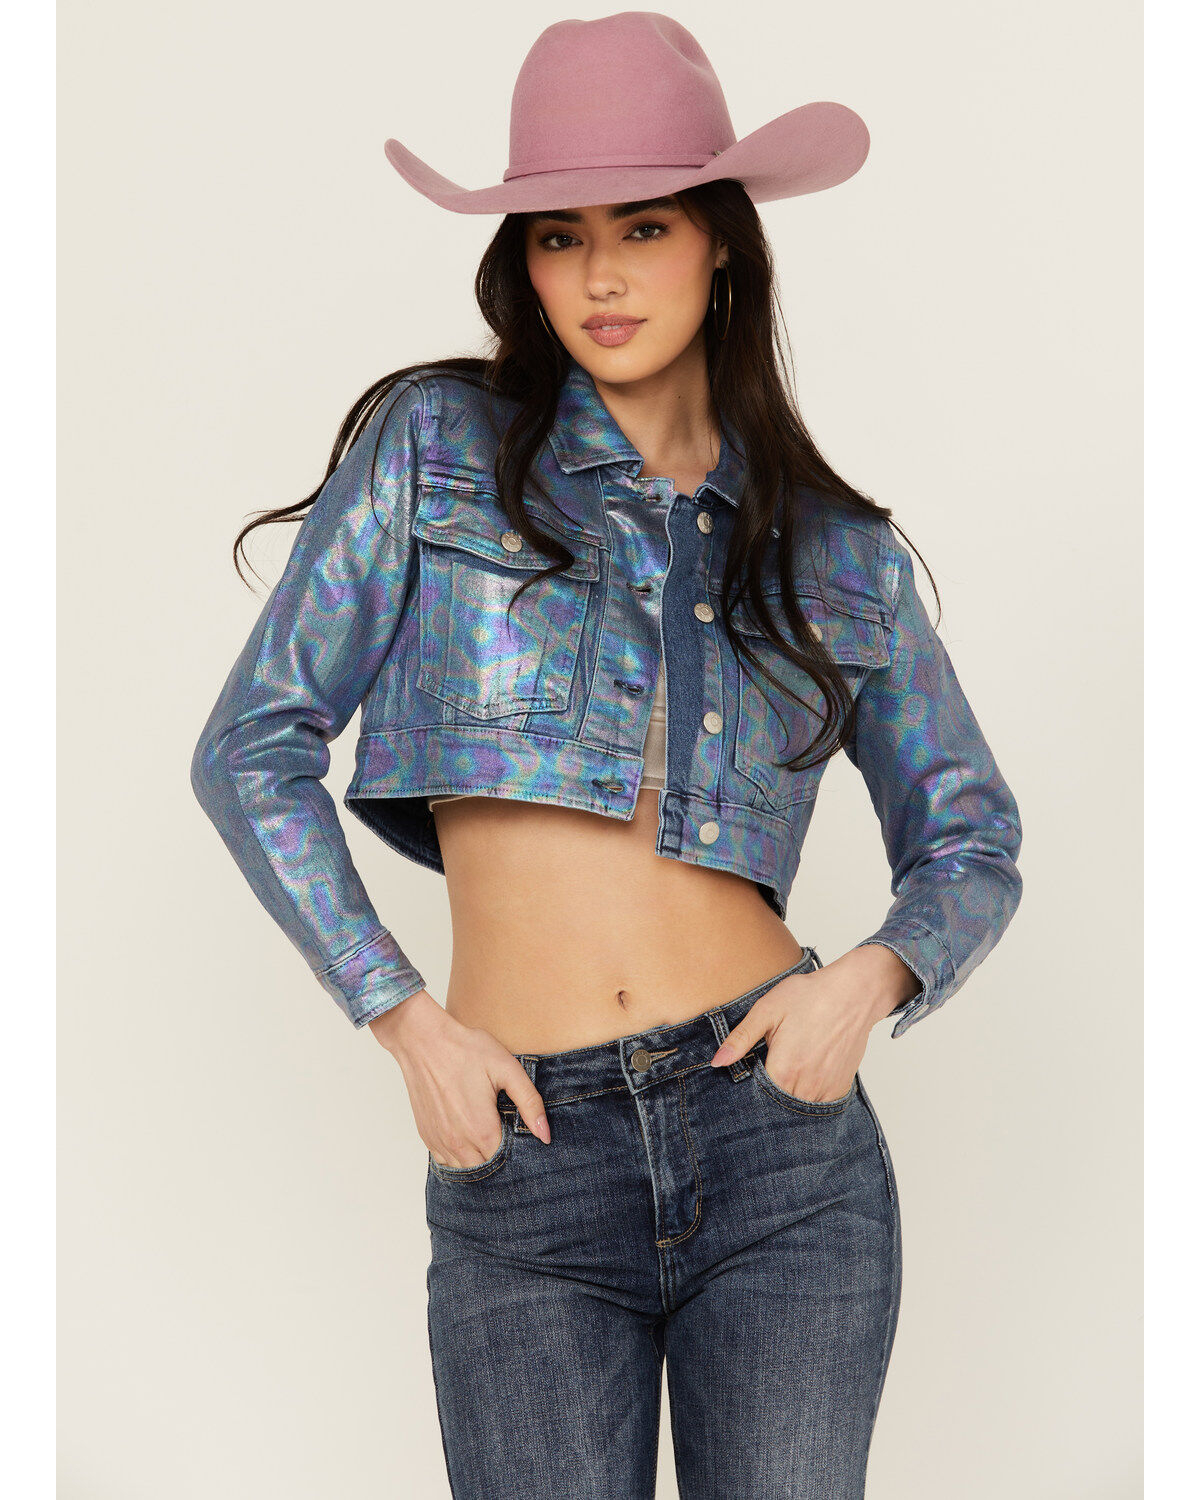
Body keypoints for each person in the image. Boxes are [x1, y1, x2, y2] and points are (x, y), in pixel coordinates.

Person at [191, 13, 1023, 1498]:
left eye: (644, 226)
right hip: (525, 1157)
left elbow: (970, 835)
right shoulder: (438, 447)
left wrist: (864, 985)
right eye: (560, 237)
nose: (601, 276)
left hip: (782, 1155)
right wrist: (404, 1019)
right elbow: (252, 747)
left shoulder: (838, 546)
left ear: (721, 245)